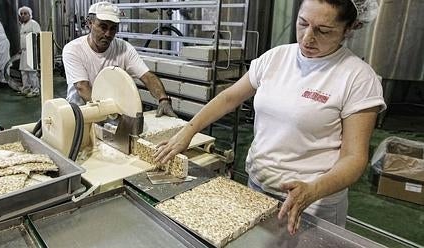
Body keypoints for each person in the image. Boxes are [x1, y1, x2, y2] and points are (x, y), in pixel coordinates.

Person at [154, 0, 383, 235]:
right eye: (302, 23)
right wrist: (187, 133)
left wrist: (313, 191)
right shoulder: (276, 58)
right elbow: (229, 98)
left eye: (323, 31)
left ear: (349, 28)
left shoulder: (358, 78)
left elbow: (354, 158)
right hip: (257, 186)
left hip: (312, 203)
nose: (307, 38)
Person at [62, 1, 176, 117]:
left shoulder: (124, 48)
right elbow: (82, 87)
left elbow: (147, 76)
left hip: (114, 113)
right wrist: (108, 114)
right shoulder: (73, 49)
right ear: (89, 23)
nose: (108, 33)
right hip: (82, 113)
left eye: (113, 28)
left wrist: (163, 99)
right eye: (103, 27)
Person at [17, 6, 41, 98]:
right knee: (23, 71)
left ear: (29, 14)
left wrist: (37, 50)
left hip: (31, 50)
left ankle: (35, 90)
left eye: (25, 13)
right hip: (24, 51)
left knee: (32, 72)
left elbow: (38, 36)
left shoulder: (33, 23)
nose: (23, 15)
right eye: (21, 14)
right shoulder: (22, 25)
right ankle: (26, 88)